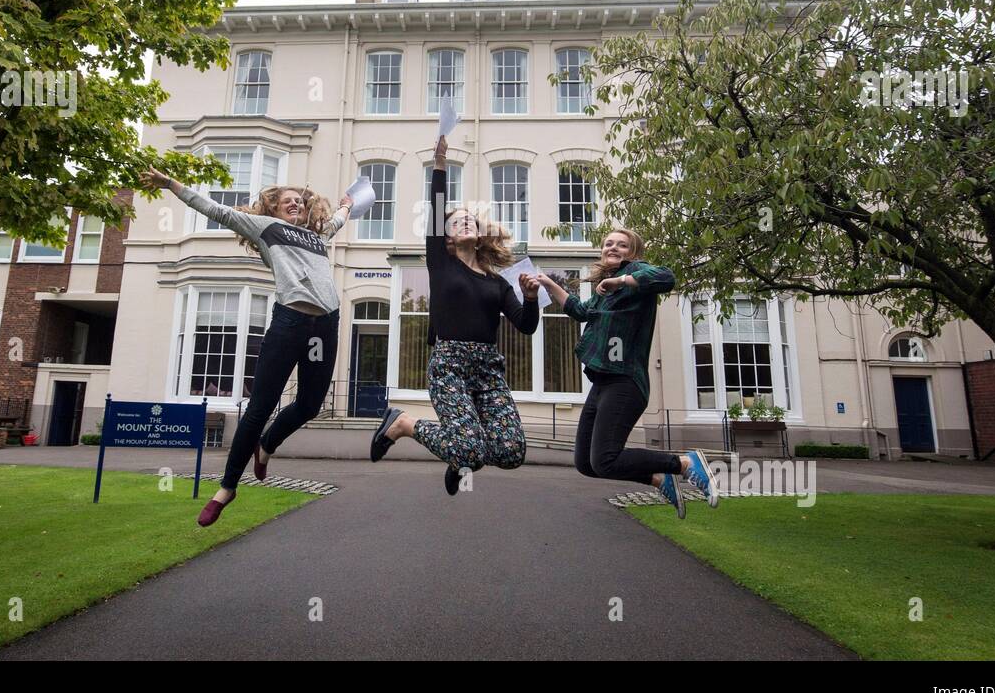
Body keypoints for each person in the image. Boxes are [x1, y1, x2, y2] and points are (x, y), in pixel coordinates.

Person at [141, 168, 353, 526]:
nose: (295, 204)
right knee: (260, 405)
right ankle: (226, 487)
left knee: (310, 406)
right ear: (273, 209)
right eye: (287, 201)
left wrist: (347, 205)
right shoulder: (266, 228)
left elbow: (337, 219)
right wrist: (171, 184)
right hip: (289, 322)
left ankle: (267, 445)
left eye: (299, 201)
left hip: (325, 325)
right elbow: (215, 210)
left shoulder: (317, 236)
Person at [369, 135, 540, 495]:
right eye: (455, 221)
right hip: (449, 364)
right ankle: (403, 423)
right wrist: (441, 164)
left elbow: (526, 326)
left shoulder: (498, 282)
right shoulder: (441, 264)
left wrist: (530, 297)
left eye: (469, 221)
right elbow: (435, 207)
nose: (464, 223)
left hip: (488, 369)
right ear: (445, 237)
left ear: (478, 236)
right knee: (470, 448)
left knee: (511, 452)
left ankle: (459, 456)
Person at [536, 229, 719, 517]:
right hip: (602, 383)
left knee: (606, 459)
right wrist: (547, 283)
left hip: (625, 381)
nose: (614, 247)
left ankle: (685, 463)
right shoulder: (603, 291)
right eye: (609, 243)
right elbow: (579, 310)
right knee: (587, 463)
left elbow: (666, 277)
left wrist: (621, 279)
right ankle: (658, 478)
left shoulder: (637, 272)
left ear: (632, 252)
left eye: (622, 245)